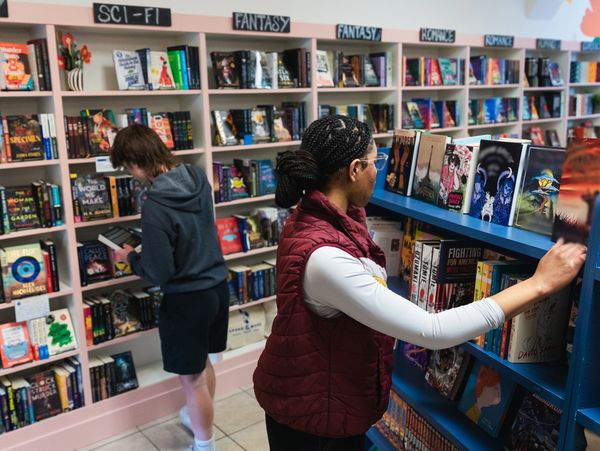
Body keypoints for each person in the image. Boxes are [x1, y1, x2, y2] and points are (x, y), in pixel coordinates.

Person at [252, 115, 587, 451]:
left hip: (319, 402)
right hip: (311, 423)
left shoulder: (320, 218)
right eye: (375, 162)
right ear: (354, 170)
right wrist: (539, 284)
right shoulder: (325, 257)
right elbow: (432, 331)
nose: (378, 171)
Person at [110, 124, 228, 451]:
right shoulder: (195, 176)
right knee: (204, 363)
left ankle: (205, 445)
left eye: (127, 167)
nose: (130, 175)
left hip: (187, 298)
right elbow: (191, 233)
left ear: (135, 162)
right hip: (217, 286)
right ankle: (197, 421)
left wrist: (131, 257)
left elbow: (159, 273)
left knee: (191, 380)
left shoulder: (155, 204)